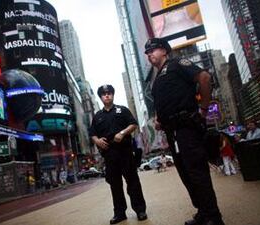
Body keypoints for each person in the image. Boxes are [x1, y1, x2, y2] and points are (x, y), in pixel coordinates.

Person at [146, 37, 225, 225]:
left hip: (187, 127)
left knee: (197, 172)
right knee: (185, 174)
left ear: (164, 50)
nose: (149, 54)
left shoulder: (176, 64)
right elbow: (165, 104)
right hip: (172, 132)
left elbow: (204, 77)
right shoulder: (155, 81)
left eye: (153, 50)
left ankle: (213, 217)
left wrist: (203, 110)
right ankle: (203, 212)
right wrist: (159, 120)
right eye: (147, 53)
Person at [89, 84, 147, 224]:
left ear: (113, 95)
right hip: (109, 154)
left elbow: (133, 124)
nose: (107, 95)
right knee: (115, 185)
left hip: (125, 151)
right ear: (101, 97)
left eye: (109, 93)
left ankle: (140, 210)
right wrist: (97, 141)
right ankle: (120, 213)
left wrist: (122, 133)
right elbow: (92, 134)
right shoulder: (97, 116)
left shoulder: (122, 110)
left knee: (132, 181)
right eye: (104, 94)